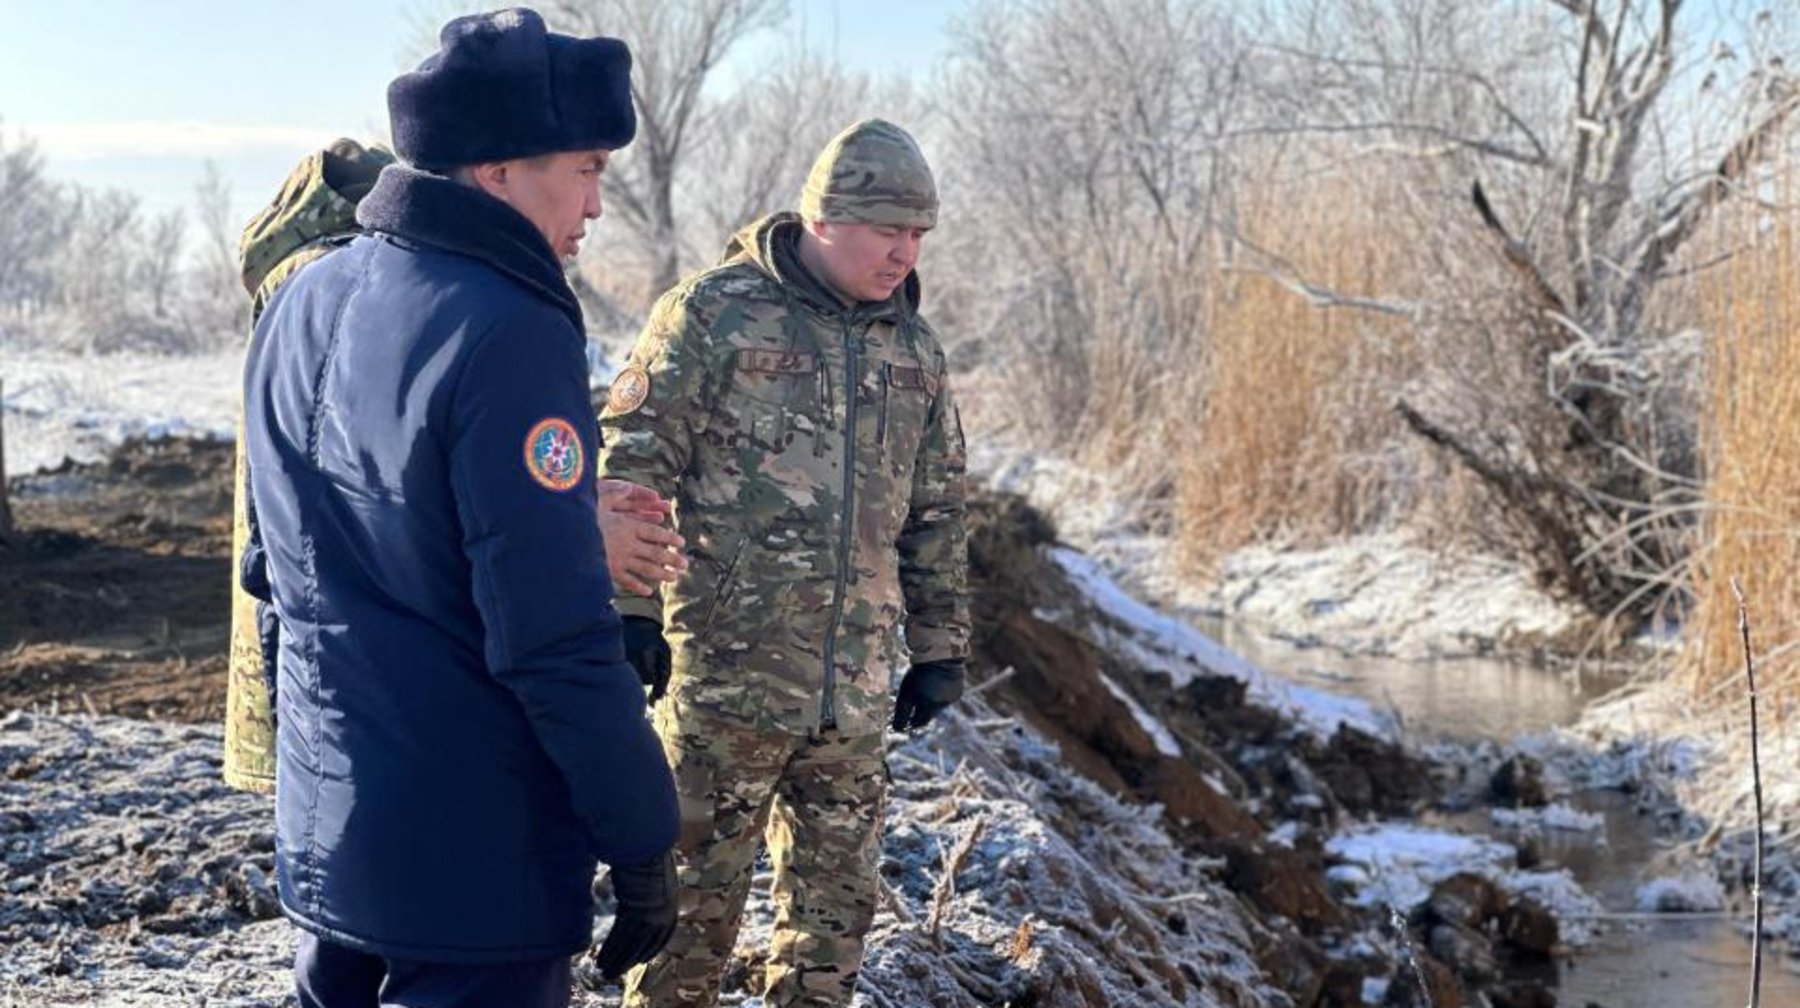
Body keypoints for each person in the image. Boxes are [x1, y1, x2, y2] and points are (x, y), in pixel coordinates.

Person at [240, 9, 679, 1005]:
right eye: (587, 169)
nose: (596, 204)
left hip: (332, 831)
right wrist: (643, 835)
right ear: (498, 170)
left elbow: (280, 574)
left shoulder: (306, 297)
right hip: (475, 866)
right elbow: (551, 634)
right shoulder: (507, 328)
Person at [597, 118, 972, 1007]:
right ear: (824, 218)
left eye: (918, 234)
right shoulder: (713, 314)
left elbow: (937, 510)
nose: (906, 253)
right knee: (685, 936)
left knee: (828, 944)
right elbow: (634, 465)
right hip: (726, 687)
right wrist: (632, 611)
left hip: (854, 702)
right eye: (888, 231)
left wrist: (940, 647)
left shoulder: (913, 349)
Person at [225, 139, 688, 794]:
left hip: (358, 702)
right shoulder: (355, 292)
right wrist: (573, 535)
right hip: (374, 706)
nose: (593, 208)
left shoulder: (353, 289)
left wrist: (562, 506)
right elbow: (384, 512)